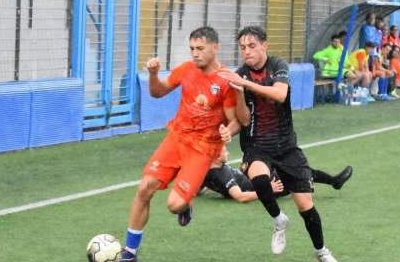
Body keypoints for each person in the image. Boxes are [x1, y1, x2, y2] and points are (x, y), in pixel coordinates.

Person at [118, 27, 239, 262]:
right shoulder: (186, 69)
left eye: (200, 49)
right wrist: (153, 74)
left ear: (215, 48)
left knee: (174, 205)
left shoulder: (225, 81)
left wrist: (228, 130)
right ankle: (130, 253)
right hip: (177, 138)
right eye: (192, 49)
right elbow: (158, 92)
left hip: (203, 148)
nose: (195, 54)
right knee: (145, 188)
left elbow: (236, 120)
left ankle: (185, 206)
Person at [219, 26, 339, 262]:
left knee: (306, 206)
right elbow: (243, 119)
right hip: (256, 145)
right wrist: (229, 127)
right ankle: (279, 219)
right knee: (260, 179)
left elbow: (280, 94)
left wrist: (247, 85)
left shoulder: (278, 66)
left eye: (252, 46)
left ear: (264, 45)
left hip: (286, 146)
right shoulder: (239, 74)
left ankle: (321, 252)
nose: (246, 52)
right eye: (242, 47)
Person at [201, 147, 354, 202]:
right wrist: (269, 189)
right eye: (224, 150)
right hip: (267, 185)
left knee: (289, 167)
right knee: (296, 170)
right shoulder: (222, 174)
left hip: (256, 178)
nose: (227, 151)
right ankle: (334, 181)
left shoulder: (205, 170)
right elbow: (240, 196)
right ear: (215, 155)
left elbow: (199, 187)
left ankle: (331, 181)